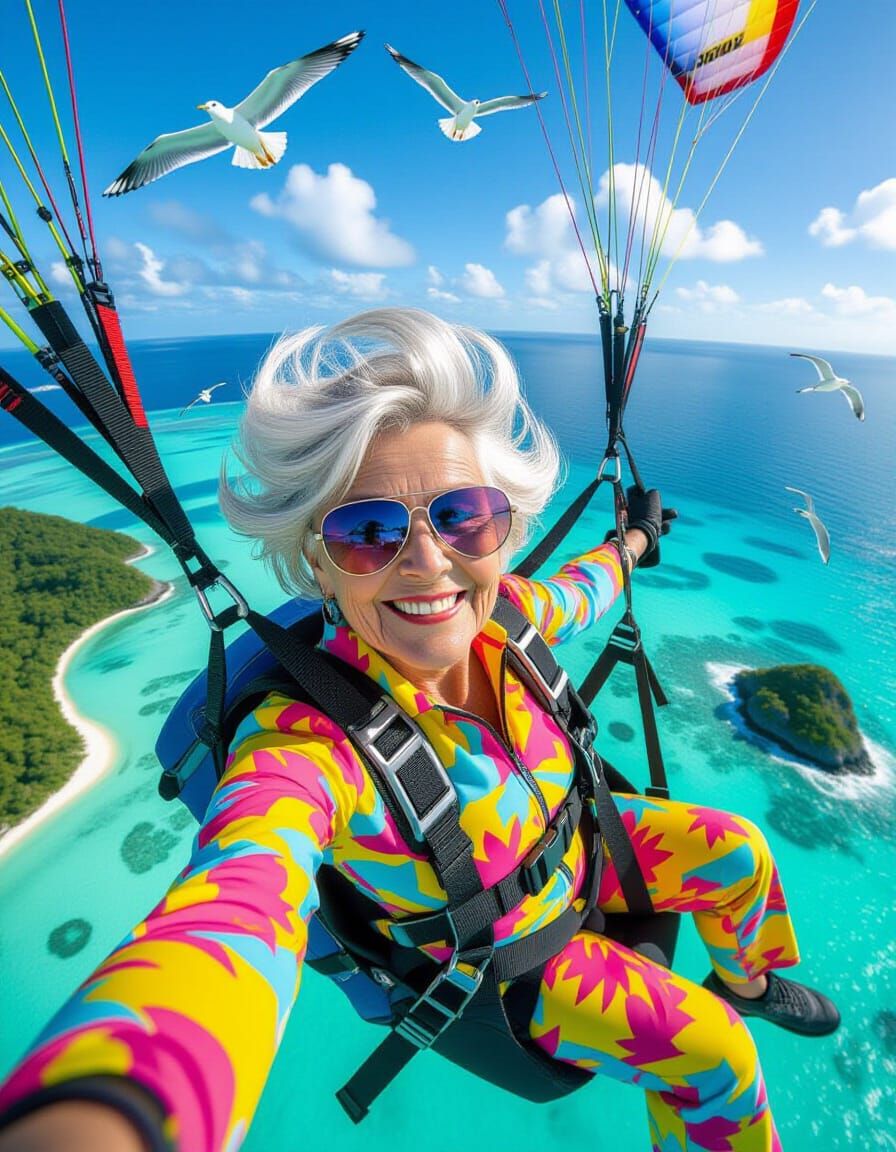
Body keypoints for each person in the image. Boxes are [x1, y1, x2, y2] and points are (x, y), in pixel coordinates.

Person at [0, 308, 839, 1152]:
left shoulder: (509, 617)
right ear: (315, 562)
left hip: (584, 848)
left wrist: (635, 540)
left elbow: (589, 584)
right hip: (518, 961)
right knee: (718, 1059)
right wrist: (112, 1115)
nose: (429, 559)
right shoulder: (306, 745)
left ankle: (748, 979)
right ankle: (733, 1022)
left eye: (464, 515)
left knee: (741, 852)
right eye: (367, 532)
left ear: (502, 531)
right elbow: (233, 902)